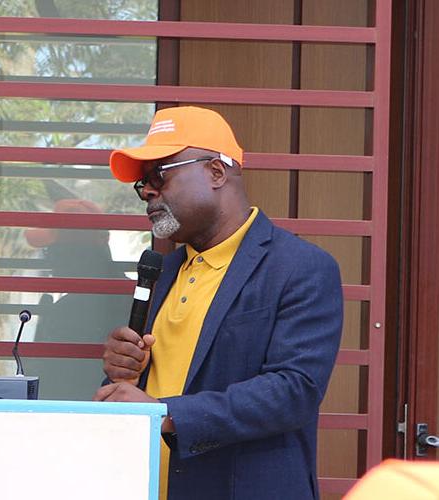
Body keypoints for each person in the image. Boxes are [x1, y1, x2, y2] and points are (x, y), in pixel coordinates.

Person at [94, 106, 343, 500]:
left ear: (216, 172)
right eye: (143, 183)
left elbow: (294, 390)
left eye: (160, 175)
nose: (149, 192)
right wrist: (122, 373)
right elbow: (149, 391)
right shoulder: (163, 271)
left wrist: (166, 414)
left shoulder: (299, 267)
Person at [22, 198, 128, 400]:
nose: (48, 259)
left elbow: (51, 386)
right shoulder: (132, 297)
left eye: (50, 250)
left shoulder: (68, 311)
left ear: (75, 252)